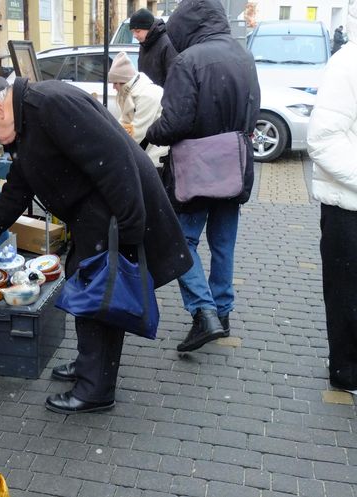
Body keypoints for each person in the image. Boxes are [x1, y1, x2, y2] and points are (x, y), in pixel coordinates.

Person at [0, 76, 191, 414]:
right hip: (95, 212)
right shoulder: (27, 121)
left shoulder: (50, 104)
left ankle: (95, 389)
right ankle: (89, 364)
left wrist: (131, 227)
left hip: (114, 210)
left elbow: (114, 160)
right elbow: (17, 190)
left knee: (100, 295)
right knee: (83, 282)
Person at [145, 0, 260, 353]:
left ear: (187, 27)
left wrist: (152, 131)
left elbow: (176, 121)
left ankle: (204, 311)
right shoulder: (244, 56)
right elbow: (253, 108)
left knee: (181, 243)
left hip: (197, 168)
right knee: (224, 244)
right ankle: (222, 312)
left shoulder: (188, 60)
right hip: (234, 165)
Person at [307, 3, 357, 393]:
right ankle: (346, 373)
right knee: (346, 299)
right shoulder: (347, 63)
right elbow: (323, 140)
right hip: (348, 208)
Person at [108, 52, 168, 167]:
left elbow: (138, 131)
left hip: (156, 154)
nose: (113, 87)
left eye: (115, 83)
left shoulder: (147, 95)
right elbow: (124, 122)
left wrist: (116, 148)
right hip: (148, 149)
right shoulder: (132, 92)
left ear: (124, 82)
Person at [129, 8, 178, 87]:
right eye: (132, 32)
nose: (134, 36)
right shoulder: (144, 45)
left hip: (161, 97)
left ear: (149, 28)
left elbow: (174, 78)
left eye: (137, 31)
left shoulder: (166, 44)